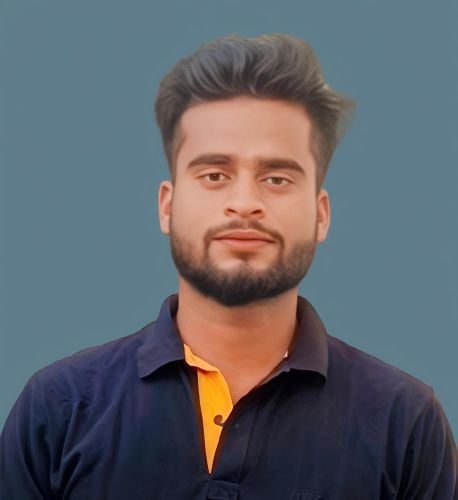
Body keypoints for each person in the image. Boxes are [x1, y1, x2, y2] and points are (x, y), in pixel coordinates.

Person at [0, 34, 456, 500]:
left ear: (321, 214)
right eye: (214, 175)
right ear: (167, 206)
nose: (244, 202)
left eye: (276, 178)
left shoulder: (405, 423)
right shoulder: (58, 409)